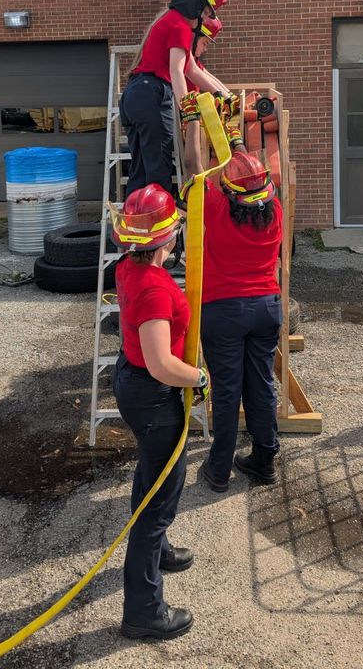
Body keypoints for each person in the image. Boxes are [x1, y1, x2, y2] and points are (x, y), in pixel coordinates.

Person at [111, 183, 209, 640]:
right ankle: (144, 612)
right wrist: (199, 378)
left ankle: (161, 552)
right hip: (153, 393)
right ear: (167, 237)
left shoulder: (126, 268)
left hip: (134, 384)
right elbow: (161, 364)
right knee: (158, 502)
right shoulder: (153, 288)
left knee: (150, 476)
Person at [181, 112, 284, 493]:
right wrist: (236, 139)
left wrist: (195, 119)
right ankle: (264, 461)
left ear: (228, 189)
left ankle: (219, 470)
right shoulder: (275, 211)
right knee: (261, 385)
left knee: (227, 391)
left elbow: (193, 166)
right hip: (266, 308)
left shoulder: (215, 205)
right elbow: (249, 178)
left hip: (223, 310)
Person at [119, 0, 230, 198]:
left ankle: (134, 217)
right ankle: (157, 218)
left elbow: (192, 70)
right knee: (158, 172)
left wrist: (224, 95)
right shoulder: (180, 26)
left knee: (140, 172)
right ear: (196, 5)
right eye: (205, 12)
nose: (204, 18)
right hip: (152, 95)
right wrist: (188, 112)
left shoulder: (170, 21)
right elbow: (177, 71)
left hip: (136, 95)